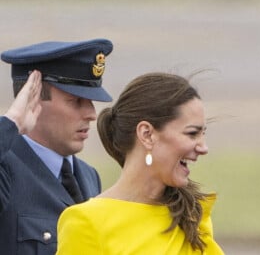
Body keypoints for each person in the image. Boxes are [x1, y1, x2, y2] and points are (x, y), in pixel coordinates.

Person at [56, 72, 224, 255]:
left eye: (202, 134)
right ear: (147, 134)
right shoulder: (86, 223)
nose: (203, 148)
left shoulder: (191, 215)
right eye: (192, 133)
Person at [0, 38, 113, 255]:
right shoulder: (6, 167)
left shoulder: (89, 176)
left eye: (91, 102)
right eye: (75, 101)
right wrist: (11, 122)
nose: (91, 114)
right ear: (32, 98)